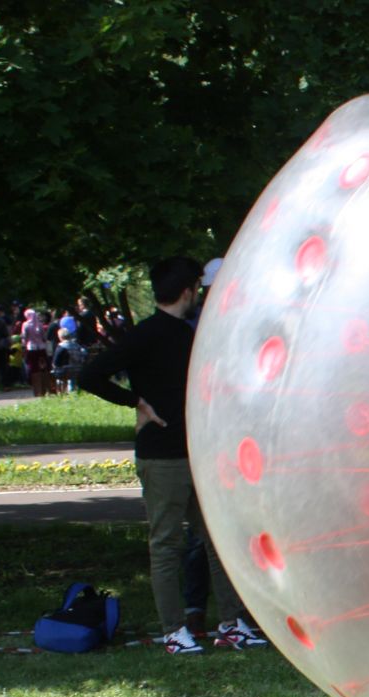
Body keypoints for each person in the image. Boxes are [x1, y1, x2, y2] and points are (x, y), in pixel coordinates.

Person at [79, 256, 268, 654]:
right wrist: (136, 401)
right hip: (164, 459)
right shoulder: (148, 335)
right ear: (188, 291)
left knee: (219, 540)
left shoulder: (190, 337)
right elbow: (89, 375)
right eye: (198, 288)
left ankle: (231, 624)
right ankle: (173, 631)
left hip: (198, 455)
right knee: (166, 544)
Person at [51, 325, 88, 393]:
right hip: (79, 369)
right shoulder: (77, 345)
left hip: (66, 371)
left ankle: (62, 392)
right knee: (72, 375)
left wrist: (54, 366)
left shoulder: (61, 347)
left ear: (60, 337)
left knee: (58, 372)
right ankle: (74, 390)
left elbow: (56, 362)